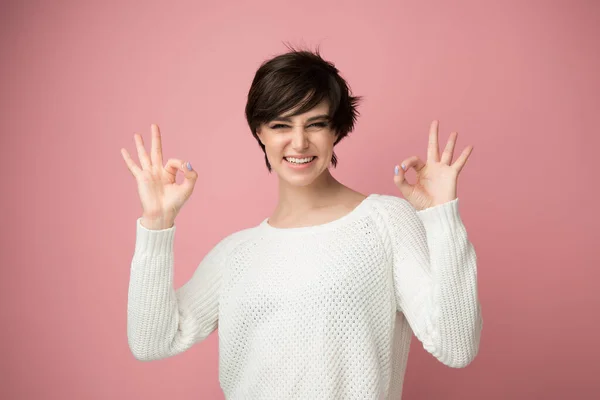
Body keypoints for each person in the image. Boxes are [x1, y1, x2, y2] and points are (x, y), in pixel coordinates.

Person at [121, 47, 483, 399]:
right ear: (259, 133)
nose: (298, 142)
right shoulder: (234, 254)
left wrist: (442, 218)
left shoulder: (385, 222)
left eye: (316, 124)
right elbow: (152, 341)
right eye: (281, 125)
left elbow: (456, 346)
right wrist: (156, 223)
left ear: (337, 131)